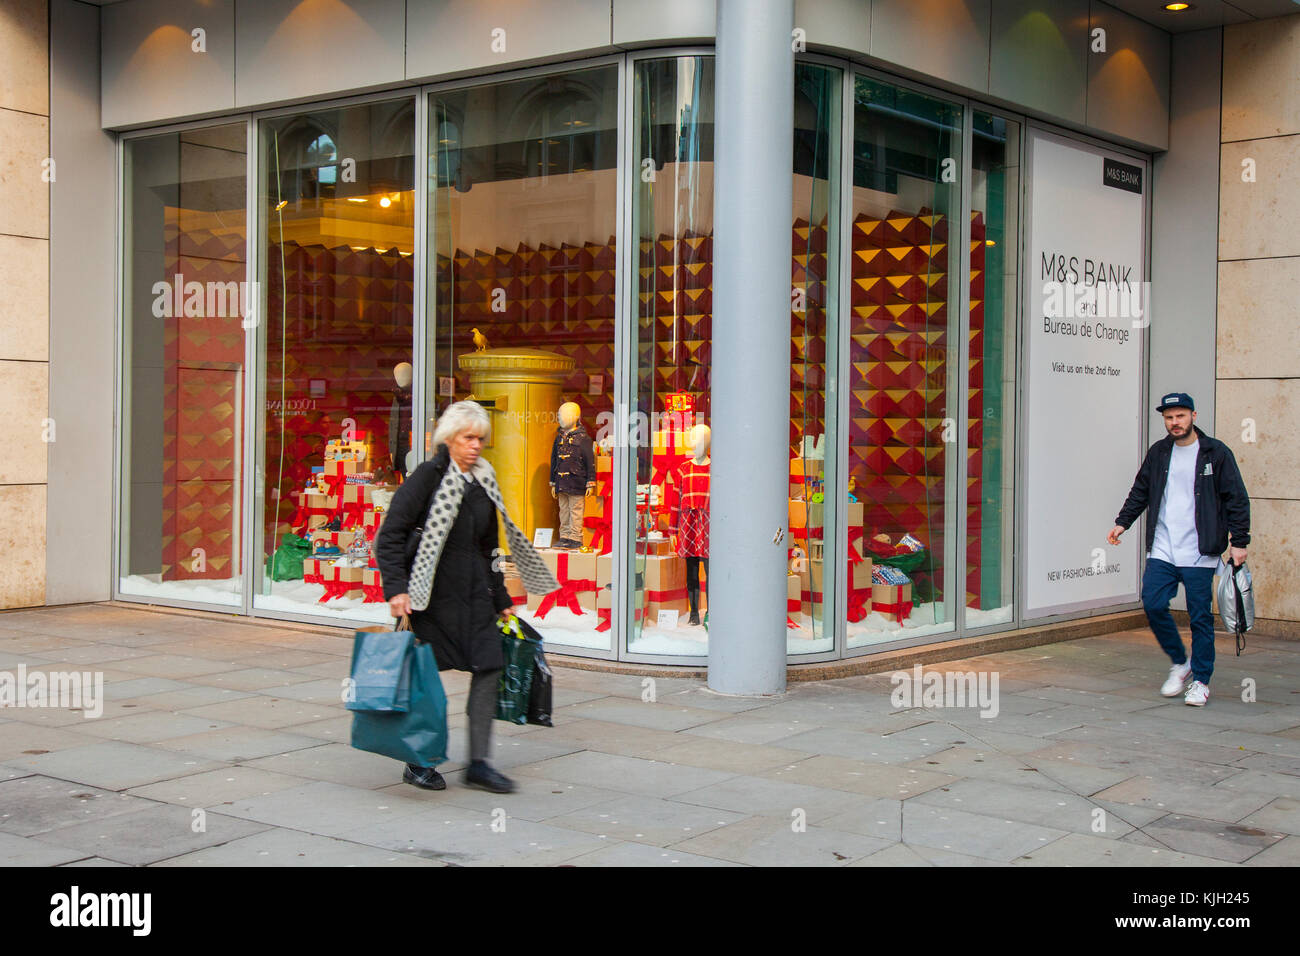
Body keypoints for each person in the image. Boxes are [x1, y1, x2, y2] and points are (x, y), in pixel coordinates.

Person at [375, 401, 558, 792]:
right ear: (450, 438)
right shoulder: (427, 477)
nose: (475, 445)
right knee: (425, 679)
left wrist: (500, 596)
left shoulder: (483, 480)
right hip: (430, 596)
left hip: (474, 593)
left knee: (489, 668)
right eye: (468, 437)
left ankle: (478, 763)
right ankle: (418, 759)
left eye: (480, 438)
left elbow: (490, 545)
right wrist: (396, 590)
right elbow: (389, 536)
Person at [1108, 392, 1251, 707]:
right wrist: (1123, 522)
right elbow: (1141, 490)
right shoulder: (1159, 452)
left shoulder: (1216, 453)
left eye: (1180, 416)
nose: (1175, 422)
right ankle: (1179, 661)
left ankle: (1200, 680)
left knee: (1200, 617)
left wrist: (1239, 541)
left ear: (1193, 416)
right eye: (1169, 417)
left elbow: (1236, 498)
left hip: (1201, 552)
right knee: (1154, 603)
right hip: (1163, 549)